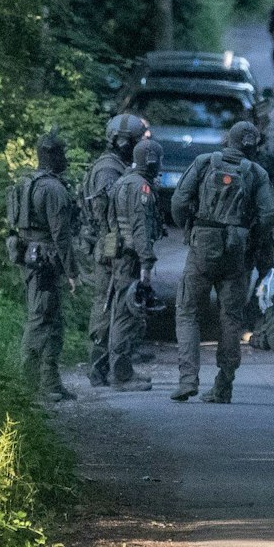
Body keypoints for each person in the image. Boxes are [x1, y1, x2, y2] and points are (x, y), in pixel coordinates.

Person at [170, 120, 274, 403]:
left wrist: (190, 229)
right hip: (237, 252)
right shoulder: (257, 173)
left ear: (228, 139)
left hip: (202, 246)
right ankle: (223, 385)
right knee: (231, 317)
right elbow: (268, 216)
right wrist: (252, 241)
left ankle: (188, 379)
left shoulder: (204, 163)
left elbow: (179, 202)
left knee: (188, 311)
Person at [8, 130, 77, 402]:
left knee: (52, 321)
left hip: (31, 259)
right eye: (62, 153)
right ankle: (29, 386)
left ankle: (50, 382)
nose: (66, 158)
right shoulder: (53, 189)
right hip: (46, 263)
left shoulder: (27, 183)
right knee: (40, 321)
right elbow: (61, 235)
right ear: (52, 155)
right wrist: (71, 271)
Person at [83, 113, 147, 387]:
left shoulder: (113, 165)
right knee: (115, 304)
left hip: (109, 242)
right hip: (112, 244)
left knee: (109, 303)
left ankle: (103, 368)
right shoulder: (109, 169)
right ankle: (111, 370)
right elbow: (104, 211)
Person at [98, 136, 163, 390]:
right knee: (126, 314)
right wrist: (147, 262)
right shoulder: (140, 189)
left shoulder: (123, 182)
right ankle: (121, 375)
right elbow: (140, 229)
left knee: (121, 311)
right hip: (131, 258)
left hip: (120, 254)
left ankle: (121, 369)